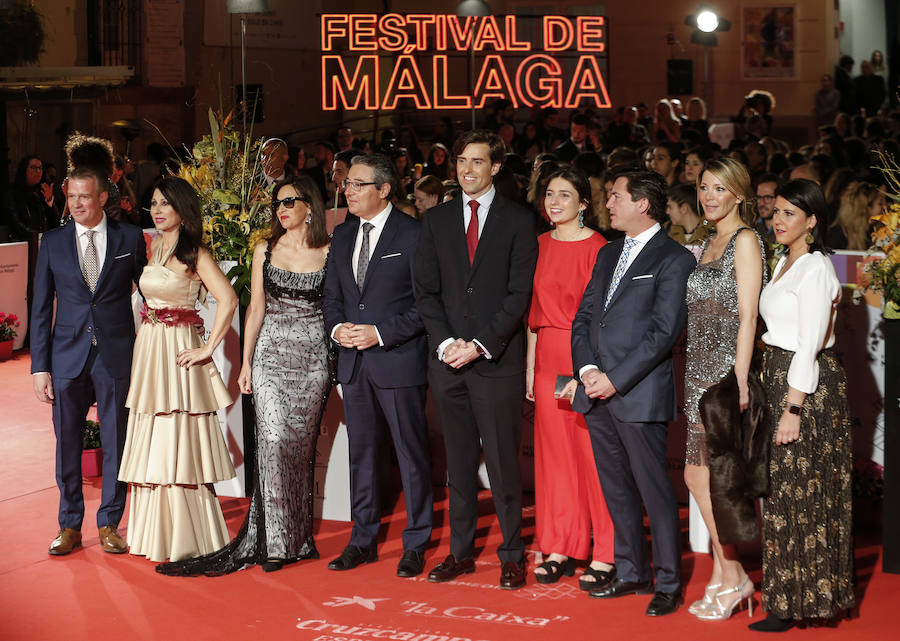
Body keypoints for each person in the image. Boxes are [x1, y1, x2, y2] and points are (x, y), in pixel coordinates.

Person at [157, 175, 331, 576]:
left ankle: (297, 540)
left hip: (312, 357)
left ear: (310, 206)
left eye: (290, 201)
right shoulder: (264, 250)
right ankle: (273, 543)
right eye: (277, 203)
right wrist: (247, 362)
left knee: (298, 450)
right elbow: (254, 310)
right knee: (271, 442)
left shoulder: (331, 251)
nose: (282, 209)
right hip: (270, 351)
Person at [414, 129, 538, 590]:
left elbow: (518, 294)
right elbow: (425, 291)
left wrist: (481, 344)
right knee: (459, 465)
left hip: (494, 362)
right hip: (447, 363)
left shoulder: (518, 221)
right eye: (462, 161)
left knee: (504, 466)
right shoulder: (437, 220)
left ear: (496, 168)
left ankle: (511, 554)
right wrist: (447, 343)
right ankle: (460, 552)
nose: (467, 169)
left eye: (477, 162)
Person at [571, 169, 695, 616]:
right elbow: (584, 316)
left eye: (616, 196)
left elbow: (663, 333)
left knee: (653, 489)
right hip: (595, 389)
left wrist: (615, 379)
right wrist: (586, 368)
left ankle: (667, 580)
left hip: (637, 393)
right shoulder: (607, 254)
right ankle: (631, 571)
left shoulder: (674, 258)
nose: (608, 203)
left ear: (643, 204)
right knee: (617, 488)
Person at [750, 179, 855, 632]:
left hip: (805, 389)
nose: (778, 220)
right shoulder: (782, 262)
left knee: (806, 495)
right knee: (782, 495)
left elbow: (809, 345)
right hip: (779, 380)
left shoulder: (815, 268)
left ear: (812, 221)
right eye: (776, 212)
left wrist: (793, 409)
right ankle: (786, 597)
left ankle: (804, 600)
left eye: (790, 213)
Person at [117, 176, 237, 562]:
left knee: (180, 434)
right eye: (153, 202)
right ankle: (155, 535)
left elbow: (228, 299)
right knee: (154, 433)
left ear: (183, 210)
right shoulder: (152, 247)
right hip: (151, 348)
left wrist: (207, 348)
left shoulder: (194, 252)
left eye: (165, 203)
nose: (156, 209)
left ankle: (188, 535)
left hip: (179, 350)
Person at [323, 154, 432, 578]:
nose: (348, 190)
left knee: (411, 455)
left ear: (384, 189)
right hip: (354, 363)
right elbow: (332, 296)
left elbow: (426, 307)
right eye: (347, 184)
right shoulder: (343, 234)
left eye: (358, 184)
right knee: (362, 456)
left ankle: (417, 542)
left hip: (398, 361)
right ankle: (362, 540)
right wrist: (338, 330)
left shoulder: (415, 235)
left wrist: (379, 333)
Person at [31, 165, 147, 556]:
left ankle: (110, 522)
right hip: (66, 357)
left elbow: (148, 294)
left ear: (102, 198)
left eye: (84, 196)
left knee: (117, 440)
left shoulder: (130, 238)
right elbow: (41, 306)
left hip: (115, 354)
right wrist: (39, 366)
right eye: (71, 196)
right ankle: (69, 524)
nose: (76, 203)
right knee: (67, 443)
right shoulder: (53, 241)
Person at [683, 158, 765, 620]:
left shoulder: (746, 240)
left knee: (709, 477)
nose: (710, 196)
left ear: (739, 194)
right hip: (696, 368)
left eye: (719, 188)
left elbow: (749, 315)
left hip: (724, 375)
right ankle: (722, 573)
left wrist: (739, 377)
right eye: (704, 187)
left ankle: (734, 575)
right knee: (700, 476)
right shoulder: (707, 241)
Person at [526, 167, 614, 589]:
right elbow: (533, 315)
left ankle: (606, 551)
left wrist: (589, 368)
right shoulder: (539, 244)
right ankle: (559, 544)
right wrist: (530, 367)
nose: (554, 201)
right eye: (548, 194)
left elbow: (601, 317)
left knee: (591, 456)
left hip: (583, 360)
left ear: (584, 203)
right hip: (546, 358)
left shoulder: (599, 248)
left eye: (564, 194)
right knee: (555, 457)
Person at [828, 180, 884, 250]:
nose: (884, 207)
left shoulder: (874, 232)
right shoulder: (837, 236)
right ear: (867, 207)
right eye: (880, 204)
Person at [755, 173, 781, 242]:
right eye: (759, 197)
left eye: (767, 197)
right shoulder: (751, 227)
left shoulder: (787, 229)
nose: (761, 203)